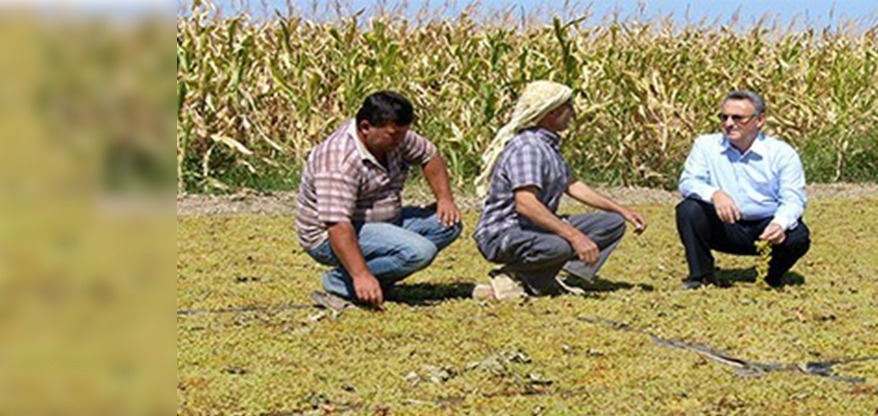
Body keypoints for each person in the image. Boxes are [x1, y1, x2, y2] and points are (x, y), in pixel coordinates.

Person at [471, 81, 647, 299]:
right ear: (551, 113)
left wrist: (622, 211)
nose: (573, 114)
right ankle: (515, 276)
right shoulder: (529, 148)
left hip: (535, 227)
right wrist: (575, 236)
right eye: (568, 108)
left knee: (611, 224)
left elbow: (573, 185)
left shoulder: (549, 147)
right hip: (505, 231)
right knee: (559, 245)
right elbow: (525, 203)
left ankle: (537, 278)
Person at [295, 91, 462, 309]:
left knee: (448, 224)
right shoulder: (339, 161)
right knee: (420, 251)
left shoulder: (393, 137)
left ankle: (377, 281)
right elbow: (337, 225)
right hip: (330, 236)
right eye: (394, 135)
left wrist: (445, 199)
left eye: (404, 133)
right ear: (365, 128)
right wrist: (361, 274)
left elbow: (428, 155)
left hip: (381, 221)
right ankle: (342, 282)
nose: (402, 141)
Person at [675, 89, 811, 289]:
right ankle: (701, 276)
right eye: (724, 117)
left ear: (759, 120)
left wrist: (779, 225)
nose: (729, 124)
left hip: (765, 227)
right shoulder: (705, 145)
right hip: (724, 225)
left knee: (798, 235)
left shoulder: (782, 154)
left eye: (738, 118)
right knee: (688, 210)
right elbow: (688, 182)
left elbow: (793, 199)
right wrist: (715, 194)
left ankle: (770, 277)